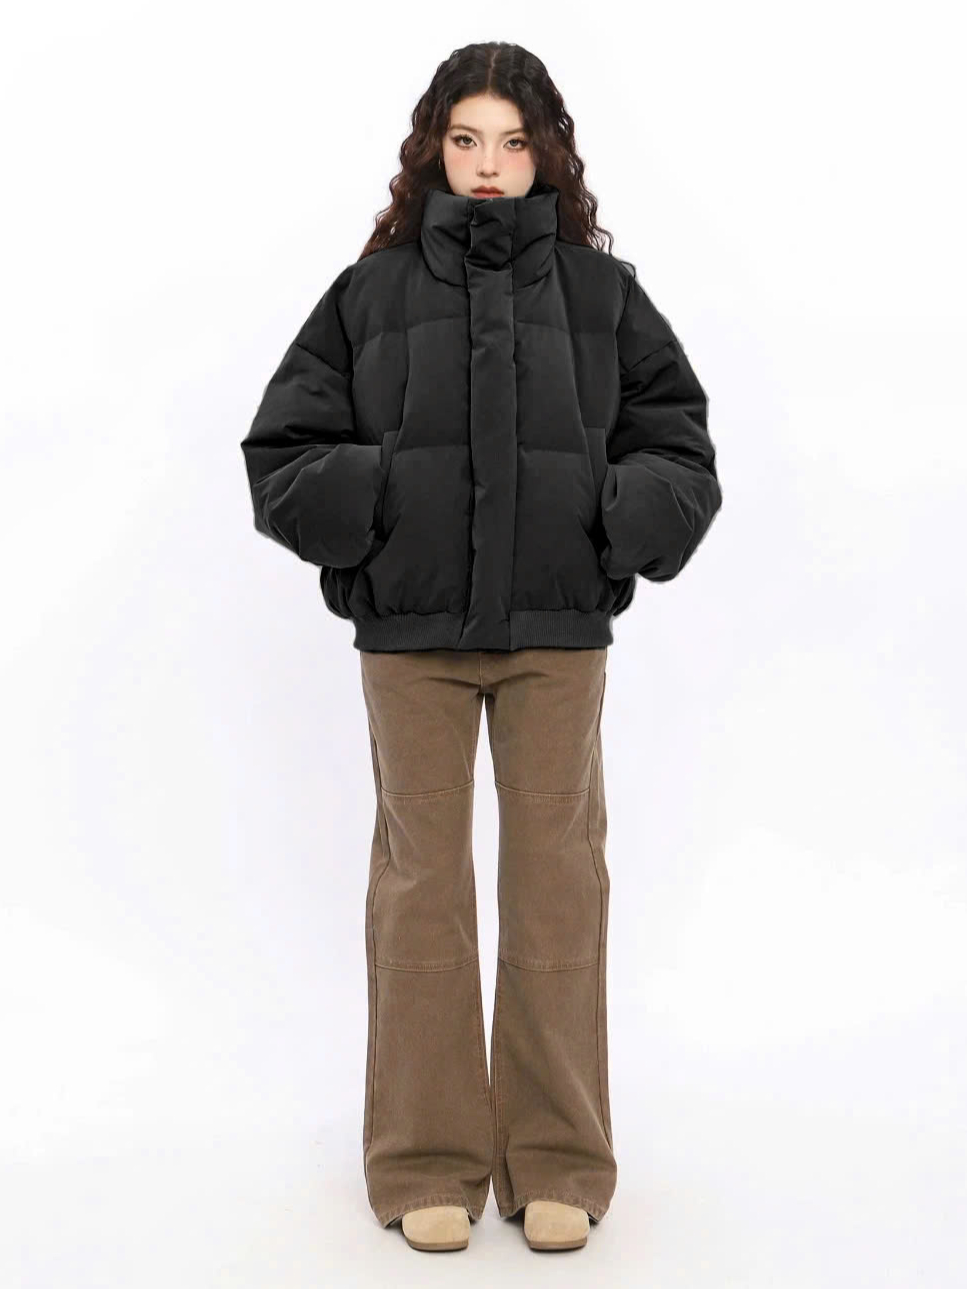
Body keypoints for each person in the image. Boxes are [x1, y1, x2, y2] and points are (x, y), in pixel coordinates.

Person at [240, 40, 722, 1254]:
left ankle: (557, 1155)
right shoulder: (369, 294)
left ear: (546, 150)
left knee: (558, 883)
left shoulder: (604, 297)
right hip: (411, 637)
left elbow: (678, 446)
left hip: (556, 630)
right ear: (433, 151)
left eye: (512, 141)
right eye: (466, 140)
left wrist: (608, 522)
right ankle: (425, 1159)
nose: (490, 165)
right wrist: (381, 505)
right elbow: (281, 451)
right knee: (422, 891)